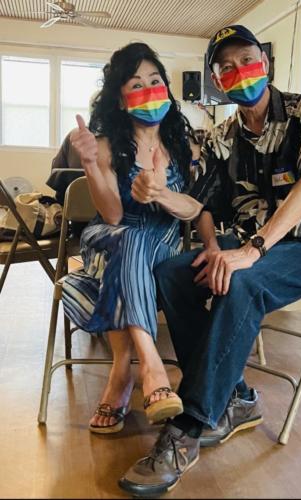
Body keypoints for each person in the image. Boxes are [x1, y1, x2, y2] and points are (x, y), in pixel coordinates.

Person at [118, 25, 301, 497]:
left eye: (246, 60)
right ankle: (235, 396)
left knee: (241, 283)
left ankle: (189, 427)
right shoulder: (221, 136)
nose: (239, 71)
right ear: (217, 81)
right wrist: (213, 247)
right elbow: (204, 205)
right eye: (226, 67)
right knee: (173, 273)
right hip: (241, 245)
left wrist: (252, 250)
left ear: (265, 61)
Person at [62, 42, 203, 433]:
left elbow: (196, 209)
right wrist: (91, 164)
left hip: (162, 244)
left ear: (167, 89)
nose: (149, 90)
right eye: (136, 85)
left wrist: (161, 194)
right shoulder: (106, 146)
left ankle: (123, 369)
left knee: (135, 248)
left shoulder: (186, 147)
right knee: (129, 240)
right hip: (108, 239)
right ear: (121, 100)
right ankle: (152, 367)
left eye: (155, 81)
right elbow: (112, 215)